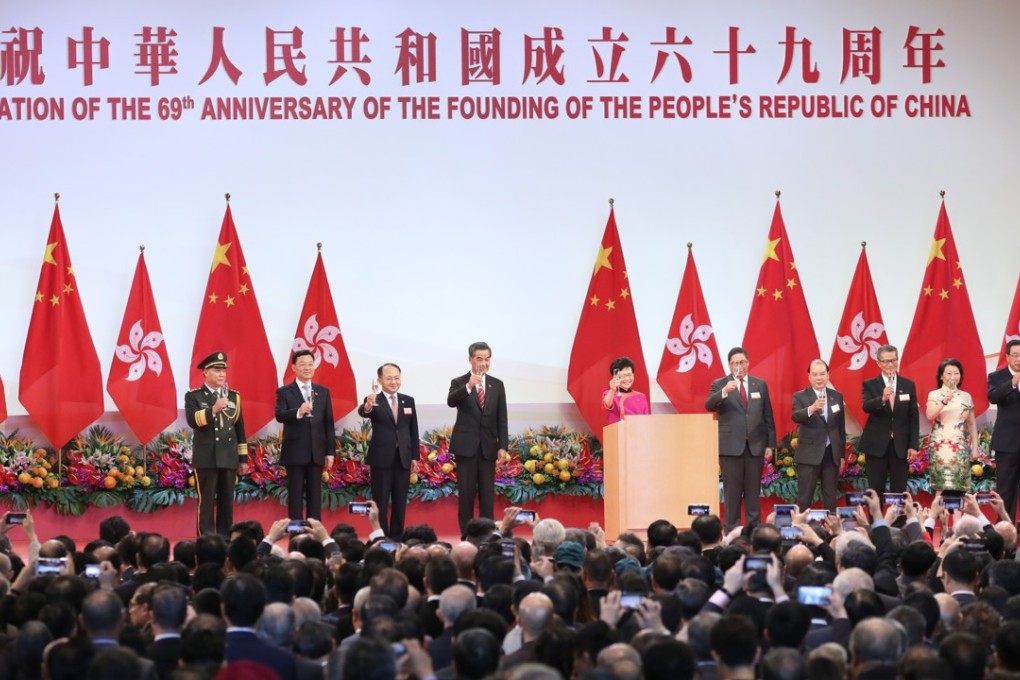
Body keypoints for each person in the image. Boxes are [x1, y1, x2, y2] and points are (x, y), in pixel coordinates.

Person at [705, 346, 775, 531]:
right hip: (730, 449)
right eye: (735, 363)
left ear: (748, 363)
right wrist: (725, 391)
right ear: (729, 365)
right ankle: (731, 535)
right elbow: (709, 405)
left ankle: (754, 535)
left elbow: (768, 415)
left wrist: (770, 444)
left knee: (753, 496)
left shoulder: (759, 384)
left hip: (755, 447)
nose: (739, 366)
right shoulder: (720, 383)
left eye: (742, 362)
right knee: (732, 496)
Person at [448, 341, 509, 538]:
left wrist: (503, 446)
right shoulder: (459, 382)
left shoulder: (497, 384)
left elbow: (502, 417)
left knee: (487, 496)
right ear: (470, 360)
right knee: (466, 495)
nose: (484, 363)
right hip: (466, 448)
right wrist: (469, 386)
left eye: (487, 359)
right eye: (479, 359)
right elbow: (451, 401)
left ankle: (487, 534)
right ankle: (466, 535)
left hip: (488, 448)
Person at [185, 352, 248, 537]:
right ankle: (206, 540)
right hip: (206, 457)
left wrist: (243, 459)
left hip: (228, 457)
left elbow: (239, 429)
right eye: (216, 370)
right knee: (206, 503)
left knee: (226, 502)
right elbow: (192, 420)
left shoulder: (234, 397)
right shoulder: (194, 396)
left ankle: (225, 539)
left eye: (223, 371)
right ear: (205, 372)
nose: (221, 374)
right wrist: (213, 409)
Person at [358, 362, 420, 538]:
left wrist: (414, 456)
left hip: (403, 458)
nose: (394, 382)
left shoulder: (408, 400)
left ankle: (397, 537)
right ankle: (382, 537)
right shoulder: (374, 399)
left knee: (400, 502)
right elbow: (364, 411)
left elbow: (412, 430)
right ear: (380, 380)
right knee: (381, 502)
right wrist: (369, 405)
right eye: (389, 378)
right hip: (381, 459)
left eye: (397, 378)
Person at [275, 349, 336, 520]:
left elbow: (328, 424)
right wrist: (298, 412)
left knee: (315, 497)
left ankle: (314, 532)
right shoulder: (285, 392)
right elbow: (279, 415)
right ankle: (295, 532)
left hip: (317, 452)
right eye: (303, 364)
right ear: (294, 367)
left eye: (310, 364)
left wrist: (330, 452)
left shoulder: (322, 391)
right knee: (295, 496)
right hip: (295, 452)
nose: (307, 367)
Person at [859, 344, 918, 494]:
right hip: (876, 444)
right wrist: (882, 398)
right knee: (875, 491)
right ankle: (876, 518)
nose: (890, 364)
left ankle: (899, 518)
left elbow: (913, 416)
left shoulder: (908, 385)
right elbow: (866, 406)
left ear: (897, 361)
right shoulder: (870, 384)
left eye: (893, 360)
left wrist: (913, 445)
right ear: (878, 363)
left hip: (901, 446)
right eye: (885, 361)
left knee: (899, 491)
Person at [791, 359, 846, 512]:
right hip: (809, 454)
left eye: (822, 374)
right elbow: (795, 416)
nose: (819, 378)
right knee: (804, 497)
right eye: (815, 374)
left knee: (830, 496)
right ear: (809, 376)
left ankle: (830, 530)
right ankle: (800, 529)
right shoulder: (800, 396)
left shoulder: (837, 396)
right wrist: (812, 408)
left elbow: (840, 427)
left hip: (831, 454)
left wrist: (841, 454)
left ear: (828, 375)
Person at [925, 358, 978, 493]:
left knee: (960, 486)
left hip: (960, 445)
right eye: (948, 373)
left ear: (960, 376)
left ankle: (958, 514)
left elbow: (971, 424)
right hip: (940, 445)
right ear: (941, 376)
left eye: (956, 373)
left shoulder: (966, 396)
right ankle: (938, 513)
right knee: (941, 485)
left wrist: (975, 448)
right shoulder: (934, 394)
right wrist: (944, 401)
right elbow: (930, 416)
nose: (953, 377)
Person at [989, 339, 1020, 520]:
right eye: (1015, 355)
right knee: (1006, 489)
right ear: (1007, 357)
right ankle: (1003, 529)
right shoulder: (997, 377)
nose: (1018, 359)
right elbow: (993, 397)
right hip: (1007, 444)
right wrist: (1012, 383)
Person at [601, 356, 650, 425]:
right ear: (615, 377)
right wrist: (612, 390)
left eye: (629, 375)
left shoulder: (641, 396)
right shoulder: (609, 394)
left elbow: (646, 420)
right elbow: (607, 405)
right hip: (618, 433)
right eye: (623, 376)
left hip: (638, 433)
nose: (627, 379)